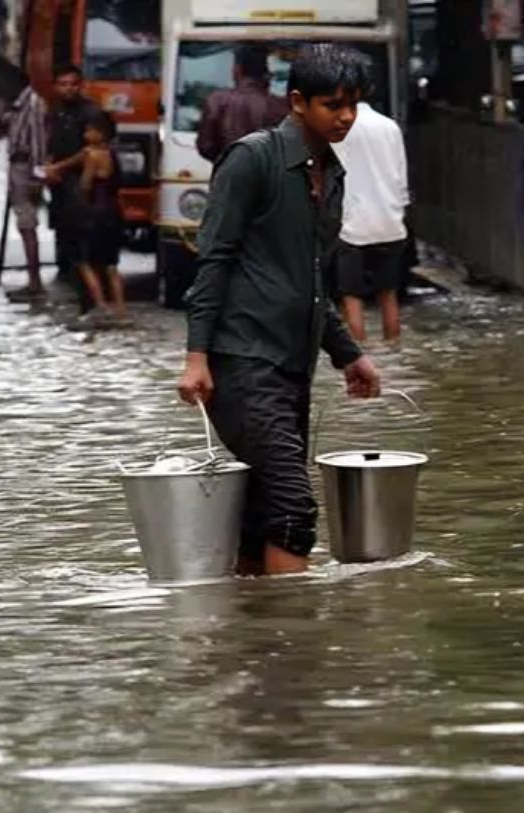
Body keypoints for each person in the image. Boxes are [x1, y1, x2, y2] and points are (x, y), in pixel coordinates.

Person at [178, 44, 382, 577]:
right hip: (242, 361)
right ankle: (296, 648)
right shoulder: (253, 159)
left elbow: (311, 283)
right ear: (297, 101)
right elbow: (214, 260)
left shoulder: (330, 175)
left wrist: (348, 355)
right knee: (294, 508)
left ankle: (253, 640)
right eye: (332, 105)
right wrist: (196, 356)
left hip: (291, 365)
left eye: (353, 105)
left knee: (262, 511)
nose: (345, 118)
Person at [331, 93, 409, 343]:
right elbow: (401, 175)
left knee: (352, 299)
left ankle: (357, 363)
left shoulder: (338, 127)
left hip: (351, 224)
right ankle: (396, 357)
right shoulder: (389, 126)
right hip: (390, 221)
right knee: (388, 295)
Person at [42, 63, 106, 307]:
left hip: (84, 186)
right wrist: (49, 167)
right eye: (63, 84)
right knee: (66, 239)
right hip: (61, 185)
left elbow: (90, 150)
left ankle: (92, 302)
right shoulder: (56, 111)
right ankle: (78, 298)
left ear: (80, 85)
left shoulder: (91, 113)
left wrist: (59, 167)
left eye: (72, 84)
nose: (67, 89)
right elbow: (53, 144)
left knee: (85, 246)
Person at [74, 112, 127, 326]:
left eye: (89, 130)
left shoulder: (92, 155)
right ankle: (121, 309)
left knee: (85, 262)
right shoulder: (112, 154)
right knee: (111, 265)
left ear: (100, 133)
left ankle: (100, 304)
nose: (86, 134)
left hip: (96, 212)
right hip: (114, 212)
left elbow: (85, 185)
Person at [195, 44, 288, 163]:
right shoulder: (281, 106)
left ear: (238, 69)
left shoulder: (217, 101)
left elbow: (206, 146)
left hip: (228, 175)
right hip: (268, 177)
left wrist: (227, 161)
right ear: (265, 73)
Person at [3, 82, 48, 302]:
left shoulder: (34, 99)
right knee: (25, 225)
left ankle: (35, 281)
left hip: (25, 167)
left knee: (27, 224)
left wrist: (37, 174)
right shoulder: (20, 101)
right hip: (19, 165)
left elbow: (38, 138)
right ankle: (34, 280)